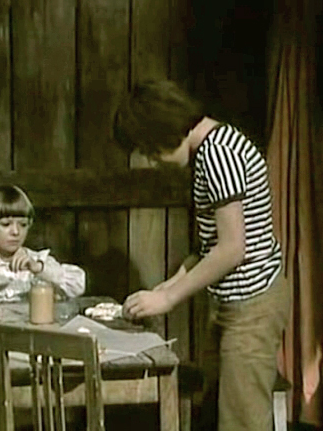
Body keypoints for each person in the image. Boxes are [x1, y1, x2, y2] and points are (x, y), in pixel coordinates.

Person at [113, 80, 290, 431]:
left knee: (241, 422)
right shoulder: (210, 150)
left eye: (151, 150)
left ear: (163, 130)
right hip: (230, 304)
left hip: (252, 306)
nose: (152, 160)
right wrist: (170, 284)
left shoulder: (219, 154)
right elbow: (209, 246)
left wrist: (168, 298)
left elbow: (232, 249)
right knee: (213, 410)